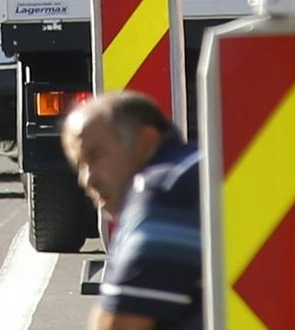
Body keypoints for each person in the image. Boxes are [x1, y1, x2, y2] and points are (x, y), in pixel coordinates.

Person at [60, 90, 202, 330]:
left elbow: (120, 323)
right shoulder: (196, 168)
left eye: (94, 156)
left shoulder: (165, 191)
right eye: (80, 166)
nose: (86, 180)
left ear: (146, 142)